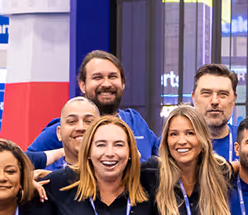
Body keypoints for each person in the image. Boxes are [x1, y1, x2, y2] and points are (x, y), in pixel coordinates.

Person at [27, 50, 158, 160]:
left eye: (112, 77)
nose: (106, 84)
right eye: (97, 77)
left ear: (123, 83)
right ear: (82, 85)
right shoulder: (71, 128)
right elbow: (26, 161)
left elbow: (163, 155)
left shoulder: (135, 121)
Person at [185, 63, 240, 163]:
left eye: (223, 94)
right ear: (193, 98)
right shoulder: (173, 144)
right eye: (206, 93)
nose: (214, 101)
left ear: (234, 100)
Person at [42, 96, 98, 175]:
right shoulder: (43, 179)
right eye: (72, 121)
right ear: (59, 133)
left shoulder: (115, 175)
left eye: (89, 121)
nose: (81, 128)